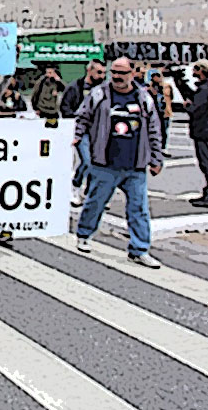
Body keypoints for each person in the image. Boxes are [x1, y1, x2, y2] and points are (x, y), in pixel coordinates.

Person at [72, 57, 164, 269]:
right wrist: (76, 136)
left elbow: (154, 129)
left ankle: (140, 249)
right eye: (113, 72)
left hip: (135, 165)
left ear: (132, 73)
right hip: (105, 163)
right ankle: (84, 235)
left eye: (122, 73)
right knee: (96, 202)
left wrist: (156, 158)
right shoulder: (99, 94)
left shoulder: (143, 97)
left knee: (139, 208)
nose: (117, 77)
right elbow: (82, 118)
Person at [173, 59, 208, 209]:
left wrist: (187, 106)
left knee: (207, 162)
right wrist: (181, 84)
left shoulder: (206, 89)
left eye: (195, 69)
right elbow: (193, 97)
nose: (193, 72)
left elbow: (195, 108)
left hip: (204, 129)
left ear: (201, 70)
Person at [60, 60, 107, 207]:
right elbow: (65, 107)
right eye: (99, 72)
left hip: (97, 130)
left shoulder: (103, 89)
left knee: (98, 162)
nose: (102, 76)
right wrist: (75, 120)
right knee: (87, 161)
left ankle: (89, 191)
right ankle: (75, 185)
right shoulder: (75, 87)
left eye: (104, 73)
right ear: (89, 70)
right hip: (81, 130)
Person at [148, 69, 174, 157]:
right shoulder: (150, 88)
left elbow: (171, 97)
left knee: (164, 130)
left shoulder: (167, 86)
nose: (156, 78)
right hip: (154, 112)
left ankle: (163, 147)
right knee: (154, 130)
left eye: (158, 76)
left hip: (165, 112)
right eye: (154, 77)